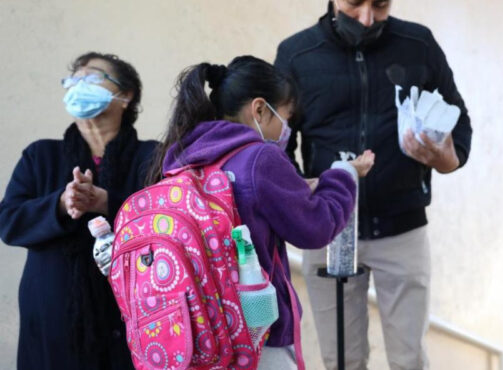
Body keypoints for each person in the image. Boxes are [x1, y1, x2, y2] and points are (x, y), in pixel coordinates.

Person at [275, 0, 473, 368]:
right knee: (342, 361)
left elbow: (460, 128)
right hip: (329, 231)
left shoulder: (419, 44)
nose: (367, 19)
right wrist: (309, 195)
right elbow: (277, 148)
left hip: (402, 231)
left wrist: (443, 158)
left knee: (409, 359)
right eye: (355, 4)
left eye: (379, 5)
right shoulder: (296, 55)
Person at [146, 55, 375, 369]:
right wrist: (343, 174)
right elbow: (316, 227)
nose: (286, 127)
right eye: (285, 116)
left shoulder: (183, 157)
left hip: (197, 330)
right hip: (256, 333)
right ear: (258, 109)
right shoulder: (259, 158)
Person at [0, 52, 157, 370]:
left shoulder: (152, 157)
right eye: (74, 79)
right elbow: (8, 222)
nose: (78, 85)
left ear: (125, 95)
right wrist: (60, 203)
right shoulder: (40, 156)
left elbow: (168, 222)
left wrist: (107, 203)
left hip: (135, 316)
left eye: (92, 77)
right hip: (55, 326)